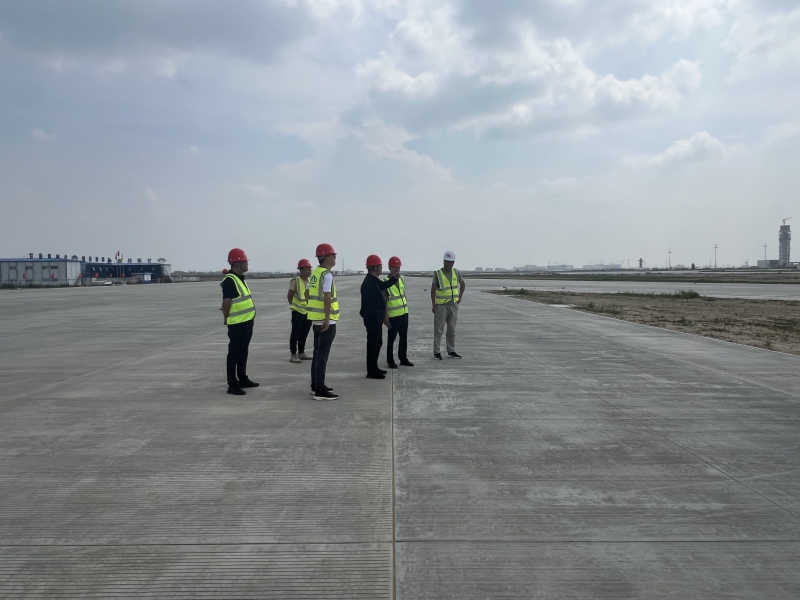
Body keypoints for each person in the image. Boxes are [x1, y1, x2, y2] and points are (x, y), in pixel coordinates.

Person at [221, 248, 259, 395]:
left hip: (246, 321)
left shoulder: (239, 279)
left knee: (243, 351)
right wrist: (226, 318)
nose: (247, 264)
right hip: (237, 323)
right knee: (234, 353)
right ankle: (232, 384)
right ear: (237, 263)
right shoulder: (230, 280)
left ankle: (242, 378)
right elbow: (226, 302)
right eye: (245, 261)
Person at [306, 243, 339, 400]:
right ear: (326, 258)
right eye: (333, 255)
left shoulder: (315, 273)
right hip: (326, 322)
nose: (335, 258)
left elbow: (307, 293)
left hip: (316, 321)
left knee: (317, 353)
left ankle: (315, 385)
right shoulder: (326, 275)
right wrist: (326, 317)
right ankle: (320, 390)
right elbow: (327, 297)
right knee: (322, 356)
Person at [360, 255, 401, 379]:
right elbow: (368, 304)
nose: (382, 268)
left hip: (376, 317)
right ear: (375, 267)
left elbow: (383, 286)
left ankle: (374, 367)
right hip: (373, 318)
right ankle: (371, 371)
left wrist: (394, 279)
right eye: (380, 266)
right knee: (373, 343)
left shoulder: (374, 280)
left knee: (378, 342)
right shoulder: (369, 283)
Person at [431, 250, 466, 360]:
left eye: (449, 262)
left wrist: (460, 297)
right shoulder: (437, 273)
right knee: (438, 329)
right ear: (443, 262)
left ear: (453, 263)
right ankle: (436, 352)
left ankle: (451, 350)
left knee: (451, 329)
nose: (447, 263)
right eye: (446, 261)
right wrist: (434, 305)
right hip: (441, 306)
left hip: (453, 305)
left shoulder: (456, 272)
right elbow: (433, 290)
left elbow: (463, 284)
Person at [384, 256, 413, 369]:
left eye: (398, 267)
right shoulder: (385, 282)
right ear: (389, 268)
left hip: (404, 313)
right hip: (393, 315)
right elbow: (384, 301)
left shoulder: (401, 279)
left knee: (403, 337)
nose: (397, 269)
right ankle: (390, 360)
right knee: (391, 339)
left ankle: (403, 358)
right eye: (394, 267)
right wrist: (386, 316)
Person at [287, 258, 314, 363]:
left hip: (308, 312)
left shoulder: (311, 281)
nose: (309, 271)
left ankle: (301, 352)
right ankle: (293, 354)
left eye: (310, 269)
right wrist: (293, 305)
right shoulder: (295, 281)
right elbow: (290, 294)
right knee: (295, 333)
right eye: (307, 269)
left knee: (304, 333)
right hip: (297, 311)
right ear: (301, 270)